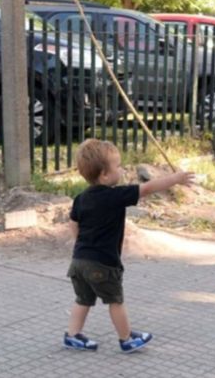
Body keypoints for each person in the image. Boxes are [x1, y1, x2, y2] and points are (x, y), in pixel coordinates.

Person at [63, 139, 194, 353]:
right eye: (118, 166)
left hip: (78, 261)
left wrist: (80, 246)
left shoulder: (80, 198)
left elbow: (73, 223)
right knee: (115, 300)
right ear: (105, 174)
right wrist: (175, 179)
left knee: (83, 299)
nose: (122, 169)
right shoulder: (115, 195)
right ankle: (126, 338)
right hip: (103, 264)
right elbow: (148, 188)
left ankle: (72, 335)